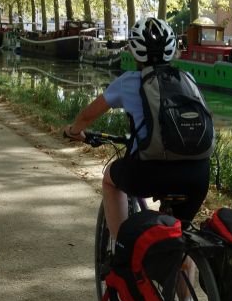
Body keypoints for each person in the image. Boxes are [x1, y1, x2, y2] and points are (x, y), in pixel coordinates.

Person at [63, 17, 211, 242]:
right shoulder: (187, 78)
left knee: (109, 180)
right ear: (172, 50)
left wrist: (74, 131)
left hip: (149, 173)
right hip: (197, 175)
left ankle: (121, 247)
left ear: (134, 52)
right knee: (182, 239)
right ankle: (185, 269)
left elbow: (88, 115)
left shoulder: (128, 81)